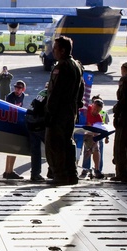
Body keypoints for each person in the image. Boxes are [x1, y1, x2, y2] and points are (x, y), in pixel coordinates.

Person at [45, 36, 84, 186]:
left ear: (62, 50)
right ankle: (71, 174)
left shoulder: (61, 66)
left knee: (55, 143)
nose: (53, 51)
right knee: (68, 142)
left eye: (55, 48)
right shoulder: (77, 65)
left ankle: (59, 175)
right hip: (70, 111)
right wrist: (77, 105)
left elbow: (56, 92)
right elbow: (81, 88)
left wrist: (49, 112)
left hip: (59, 112)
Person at [2, 80, 27, 179]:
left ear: (23, 89)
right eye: (16, 87)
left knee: (13, 149)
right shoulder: (10, 97)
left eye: (19, 88)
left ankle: (8, 171)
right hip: (10, 123)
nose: (17, 89)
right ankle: (8, 171)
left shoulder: (22, 96)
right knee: (13, 148)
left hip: (16, 123)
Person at [80, 98, 108, 179]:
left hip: (90, 134)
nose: (95, 112)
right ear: (92, 106)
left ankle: (97, 169)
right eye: (95, 109)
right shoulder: (85, 109)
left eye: (98, 110)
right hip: (79, 130)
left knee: (96, 148)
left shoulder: (98, 118)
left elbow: (97, 137)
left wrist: (91, 148)